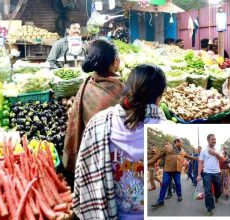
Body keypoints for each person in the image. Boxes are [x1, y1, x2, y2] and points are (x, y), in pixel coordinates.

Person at [73, 64, 168, 219]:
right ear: (159, 97)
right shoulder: (165, 129)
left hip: (109, 213)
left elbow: (84, 174)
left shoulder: (99, 122)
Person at [63, 39, 124, 182]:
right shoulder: (120, 92)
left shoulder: (88, 84)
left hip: (88, 154)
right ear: (115, 62)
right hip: (109, 163)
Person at [149, 139, 197, 208]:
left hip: (177, 171)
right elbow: (158, 156)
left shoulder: (182, 151)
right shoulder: (167, 147)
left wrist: (197, 158)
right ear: (176, 142)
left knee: (178, 183)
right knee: (164, 183)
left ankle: (179, 195)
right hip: (168, 170)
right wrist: (149, 163)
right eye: (181, 142)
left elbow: (188, 156)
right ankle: (160, 201)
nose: (182, 144)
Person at [197, 134, 225, 216]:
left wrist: (215, 153)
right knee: (208, 191)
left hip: (217, 173)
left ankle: (217, 196)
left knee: (218, 190)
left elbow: (223, 159)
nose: (214, 141)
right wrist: (198, 175)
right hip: (207, 173)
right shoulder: (203, 151)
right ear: (208, 140)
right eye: (212, 139)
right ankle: (209, 209)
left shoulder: (219, 149)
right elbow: (200, 163)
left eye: (215, 139)